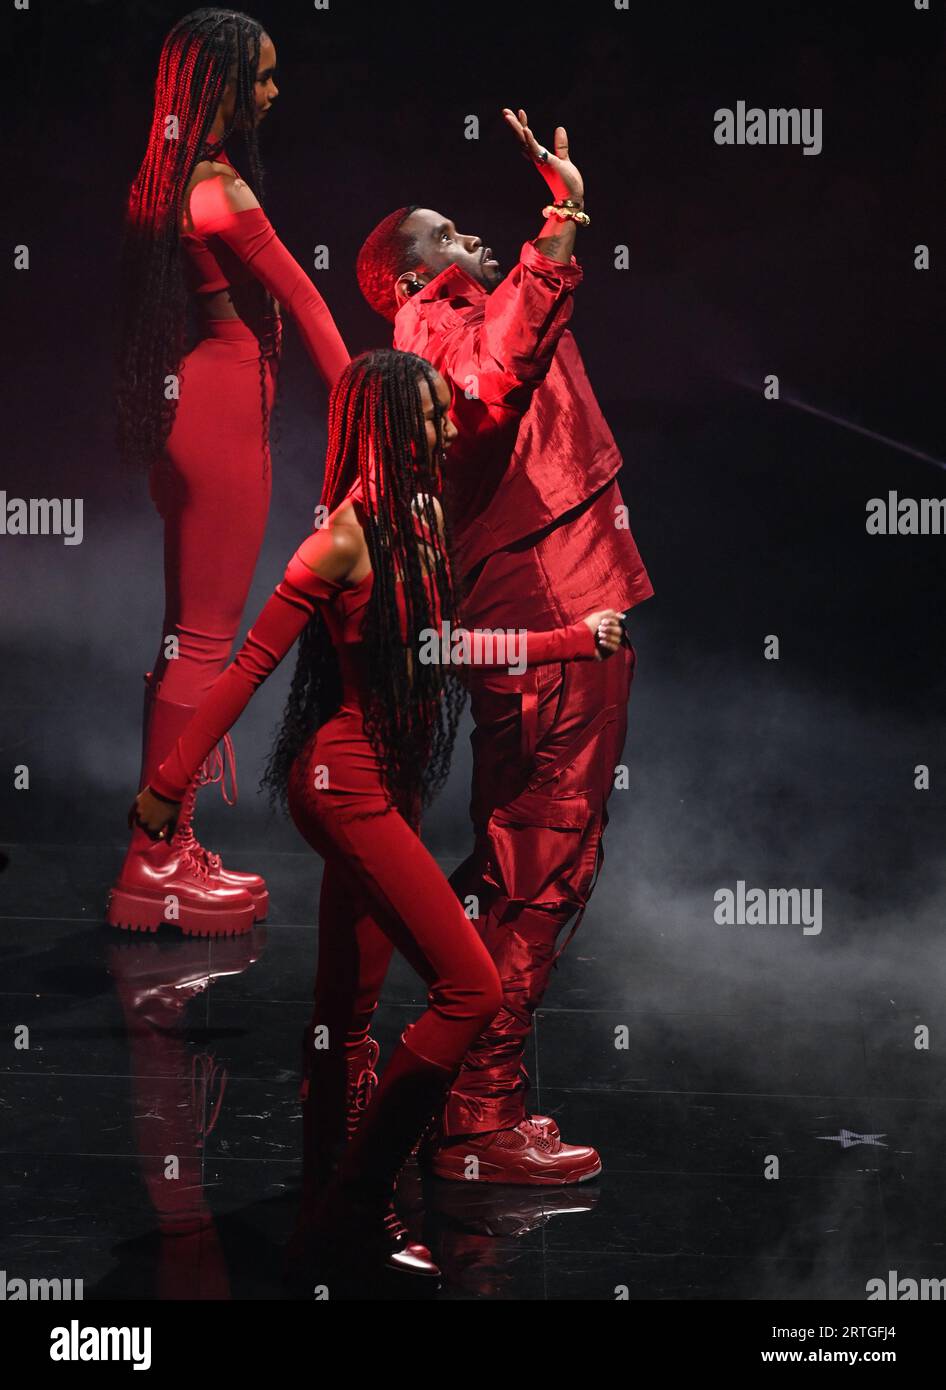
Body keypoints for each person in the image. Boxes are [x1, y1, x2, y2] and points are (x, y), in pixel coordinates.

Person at [129, 348, 626, 1280]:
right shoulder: (342, 540)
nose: (449, 429)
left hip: (382, 785)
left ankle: (331, 1209)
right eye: (434, 416)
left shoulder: (423, 517)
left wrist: (566, 638)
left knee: (344, 1019)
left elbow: (442, 646)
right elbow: (245, 669)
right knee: (471, 990)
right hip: (343, 787)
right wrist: (168, 783)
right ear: (393, 427)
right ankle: (355, 1204)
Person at [356, 108, 653, 1182]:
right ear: (401, 277)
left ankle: (462, 1094)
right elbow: (487, 401)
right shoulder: (431, 327)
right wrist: (560, 225)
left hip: (565, 590)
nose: (465, 242)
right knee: (540, 860)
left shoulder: (465, 310)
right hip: (547, 607)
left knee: (535, 859)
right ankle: (475, 1118)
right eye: (440, 237)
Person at [107, 7, 349, 937]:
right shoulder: (218, 189)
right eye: (260, 78)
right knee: (204, 642)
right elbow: (310, 305)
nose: (272, 93)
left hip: (189, 410)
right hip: (218, 418)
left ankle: (163, 844)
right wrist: (365, 406)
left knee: (186, 639)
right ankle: (156, 858)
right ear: (217, 87)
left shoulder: (163, 178)